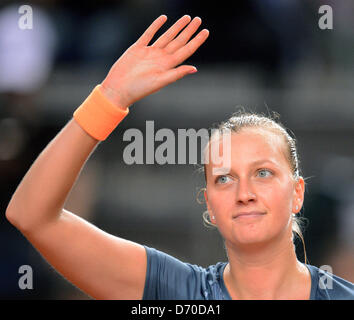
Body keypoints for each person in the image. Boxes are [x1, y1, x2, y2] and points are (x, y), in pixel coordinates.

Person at [5, 15, 354, 300]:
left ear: (297, 193)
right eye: (224, 178)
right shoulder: (175, 292)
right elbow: (31, 215)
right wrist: (109, 98)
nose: (244, 192)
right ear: (209, 206)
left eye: (262, 173)